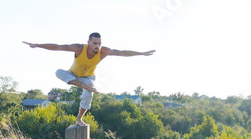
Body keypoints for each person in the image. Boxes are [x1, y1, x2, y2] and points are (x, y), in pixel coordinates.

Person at [23, 32, 155, 127]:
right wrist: (37, 45)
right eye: (94, 43)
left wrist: (142, 53)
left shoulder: (103, 51)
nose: (97, 46)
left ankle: (79, 119)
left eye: (99, 43)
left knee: (88, 94)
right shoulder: (79, 48)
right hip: (72, 75)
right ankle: (85, 86)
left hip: (88, 78)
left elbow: (122, 52)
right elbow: (58, 46)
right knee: (58, 72)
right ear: (89, 43)